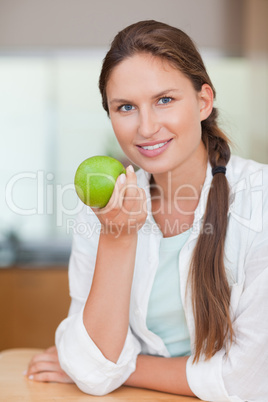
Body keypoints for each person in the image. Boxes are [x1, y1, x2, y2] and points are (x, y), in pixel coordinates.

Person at [26, 20, 268, 401]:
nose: (147, 127)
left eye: (165, 100)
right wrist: (117, 237)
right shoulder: (104, 208)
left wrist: (122, 367)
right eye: (125, 107)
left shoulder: (260, 199)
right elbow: (93, 370)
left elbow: (246, 382)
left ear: (204, 101)